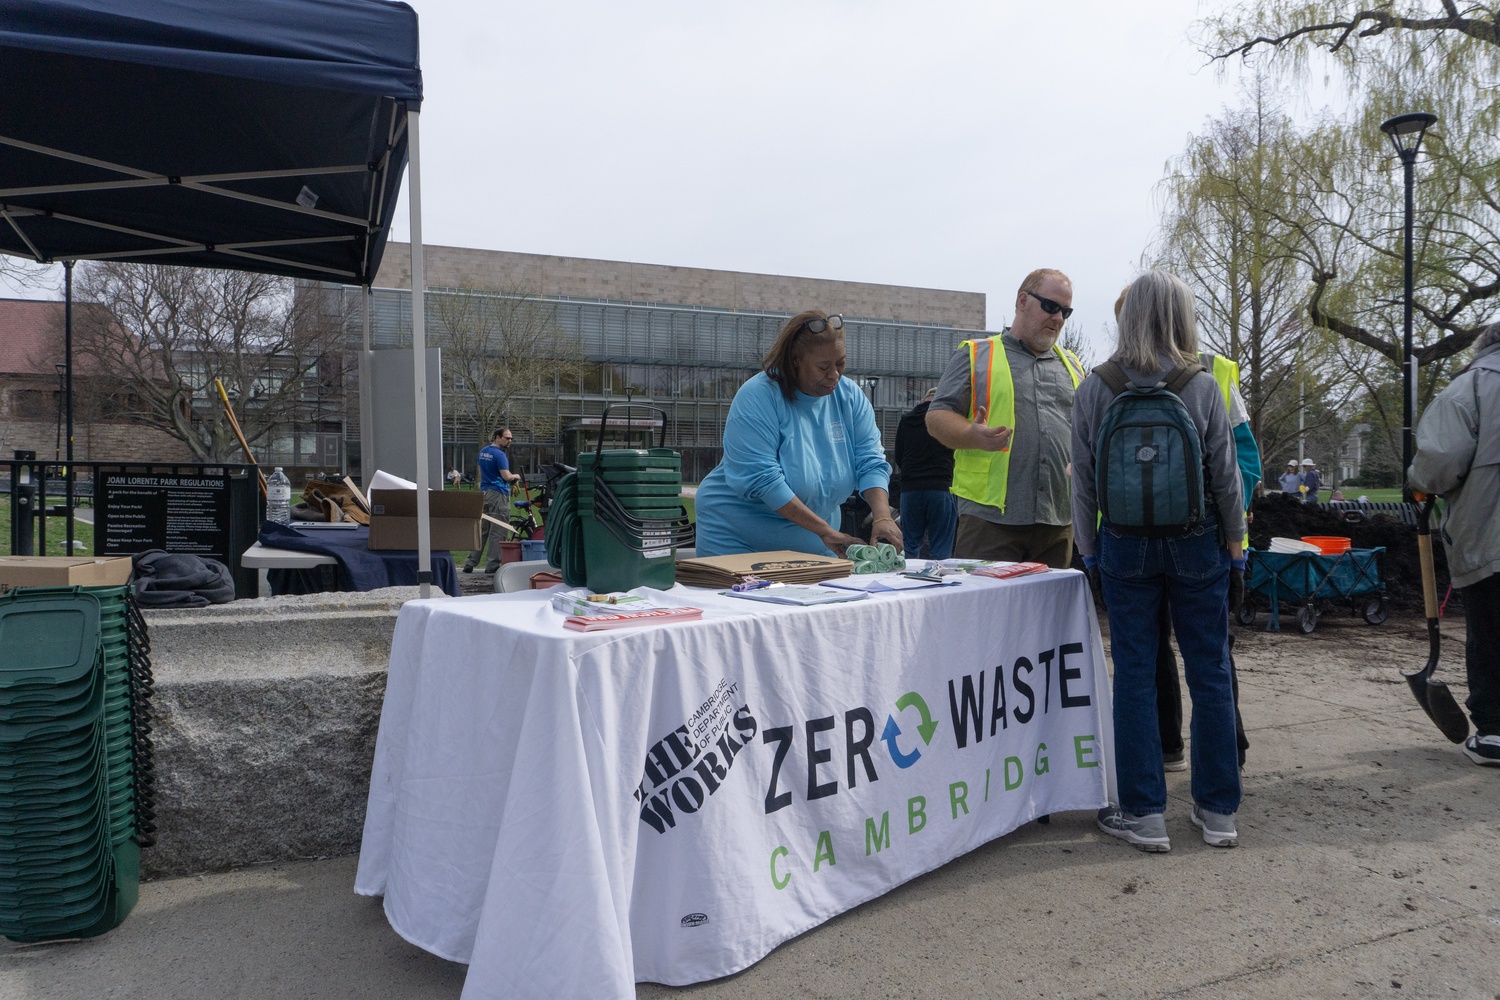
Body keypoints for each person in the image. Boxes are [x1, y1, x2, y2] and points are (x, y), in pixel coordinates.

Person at [1072, 269, 1245, 852]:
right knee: (1210, 670)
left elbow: (1083, 484)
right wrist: (1236, 548)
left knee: (1135, 674)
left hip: (1123, 544)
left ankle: (1144, 814)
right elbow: (1226, 478)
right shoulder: (1201, 384)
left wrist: (1090, 552)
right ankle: (1217, 812)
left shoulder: (1096, 386)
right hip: (1198, 541)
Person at [1108, 285, 1259, 774]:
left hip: (1182, 535)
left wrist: (1227, 524)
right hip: (1174, 539)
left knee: (1204, 656)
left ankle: (1227, 750)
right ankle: (1171, 747)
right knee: (1183, 656)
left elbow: (1244, 461)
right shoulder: (1115, 376)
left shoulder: (1211, 372)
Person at [693, 310, 901, 557]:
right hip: (737, 539)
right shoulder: (758, 396)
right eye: (823, 367)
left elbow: (870, 461)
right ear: (795, 360)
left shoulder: (850, 397)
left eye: (840, 363)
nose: (834, 374)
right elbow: (763, 480)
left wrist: (882, 517)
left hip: (818, 541)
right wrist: (823, 530)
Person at [926, 268, 1086, 568]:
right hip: (990, 520)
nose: (1058, 318)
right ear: (1022, 301)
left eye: (1066, 312)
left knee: (1049, 602)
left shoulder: (1073, 365)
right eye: (1050, 307)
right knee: (984, 600)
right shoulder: (976, 354)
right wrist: (970, 435)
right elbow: (936, 417)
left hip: (1057, 520)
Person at [1408, 320, 1500, 767]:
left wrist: (1419, 482)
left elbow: (1440, 460)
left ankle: (1495, 731)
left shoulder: (1475, 385)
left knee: (1491, 631)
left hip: (1491, 536)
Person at [894, 387, 956, 559]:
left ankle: (908, 574)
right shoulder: (946, 420)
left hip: (911, 489)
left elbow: (899, 455)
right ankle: (939, 574)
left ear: (923, 399)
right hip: (940, 487)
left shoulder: (906, 420)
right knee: (941, 548)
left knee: (909, 546)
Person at [463, 428, 520, 574]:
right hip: (498, 494)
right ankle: (492, 565)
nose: (510, 441)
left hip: (484, 493)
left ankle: (470, 562)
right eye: (507, 438)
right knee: (499, 530)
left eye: (511, 438)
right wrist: (516, 477)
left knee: (482, 530)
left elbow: (485, 471)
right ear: (497, 437)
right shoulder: (500, 455)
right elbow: (506, 476)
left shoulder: (483, 452)